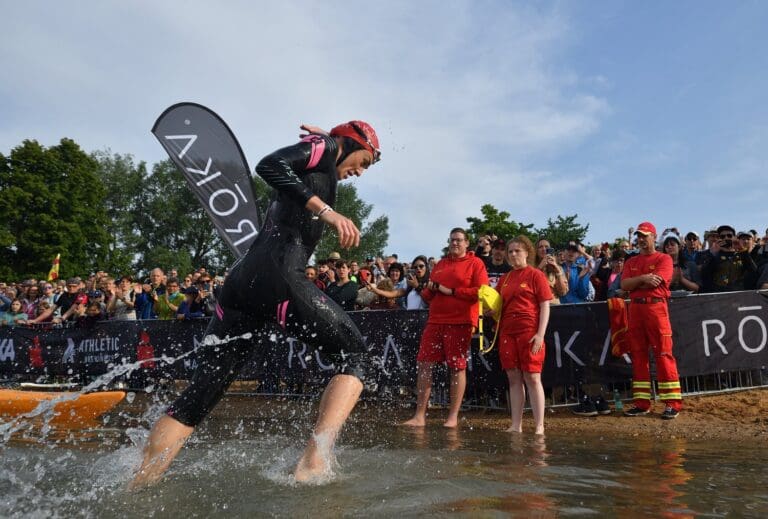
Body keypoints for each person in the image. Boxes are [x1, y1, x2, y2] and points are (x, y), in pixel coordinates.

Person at [131, 119, 381, 487]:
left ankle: (139, 482)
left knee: (203, 392)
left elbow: (293, 170)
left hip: (241, 284)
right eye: (366, 160)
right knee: (355, 355)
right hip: (276, 278)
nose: (361, 171)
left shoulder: (321, 158)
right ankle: (314, 462)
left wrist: (324, 149)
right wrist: (326, 207)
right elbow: (269, 165)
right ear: (352, 142)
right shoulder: (327, 149)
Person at [401, 227, 489, 428]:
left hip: (461, 321)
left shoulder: (476, 263)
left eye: (459, 240)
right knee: (424, 364)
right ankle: (419, 416)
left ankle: (452, 418)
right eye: (452, 240)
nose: (455, 243)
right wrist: (427, 288)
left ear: (467, 243)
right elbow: (428, 296)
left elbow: (481, 291)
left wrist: (451, 291)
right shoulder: (440, 264)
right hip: (435, 320)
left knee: (457, 367)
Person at [620, 221, 683, 419]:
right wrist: (644, 279)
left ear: (654, 237)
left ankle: (672, 403)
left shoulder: (664, 258)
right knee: (638, 355)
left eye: (644, 235)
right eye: (638, 236)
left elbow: (658, 281)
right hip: (636, 308)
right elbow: (624, 285)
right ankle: (641, 403)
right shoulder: (631, 262)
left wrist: (639, 281)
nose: (640, 239)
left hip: (656, 308)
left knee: (663, 354)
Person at [495, 236, 552, 434]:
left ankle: (539, 426)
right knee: (513, 377)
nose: (513, 254)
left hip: (529, 330)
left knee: (533, 377)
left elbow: (545, 305)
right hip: (507, 331)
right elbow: (496, 306)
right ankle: (516, 425)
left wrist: (540, 334)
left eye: (517, 251)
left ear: (527, 252)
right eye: (510, 251)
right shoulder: (505, 278)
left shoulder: (536, 275)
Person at [534, 238, 567, 304]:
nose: (544, 249)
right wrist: (540, 267)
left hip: (554, 305)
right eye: (540, 247)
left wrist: (558, 273)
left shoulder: (559, 268)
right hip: (537, 305)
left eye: (546, 247)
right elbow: (528, 285)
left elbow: (562, 292)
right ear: (536, 251)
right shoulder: (531, 267)